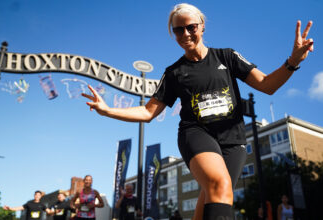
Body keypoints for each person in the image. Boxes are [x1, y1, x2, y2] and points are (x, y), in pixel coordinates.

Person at [82, 3, 313, 220]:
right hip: (196, 134)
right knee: (219, 185)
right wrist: (107, 110)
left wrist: (292, 61)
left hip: (233, 140)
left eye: (191, 27)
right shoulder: (174, 72)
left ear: (202, 26)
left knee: (211, 197)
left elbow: (267, 85)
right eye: (178, 30)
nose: (185, 35)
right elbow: (147, 112)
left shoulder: (227, 56)